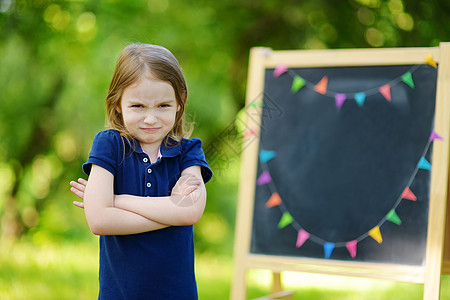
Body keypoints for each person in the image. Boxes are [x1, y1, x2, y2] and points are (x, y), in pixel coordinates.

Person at [69, 43, 212, 300]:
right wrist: (171, 209)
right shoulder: (109, 145)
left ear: (179, 103)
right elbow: (99, 220)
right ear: (117, 105)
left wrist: (116, 201)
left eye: (163, 106)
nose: (150, 119)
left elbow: (191, 210)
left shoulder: (189, 152)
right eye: (138, 107)